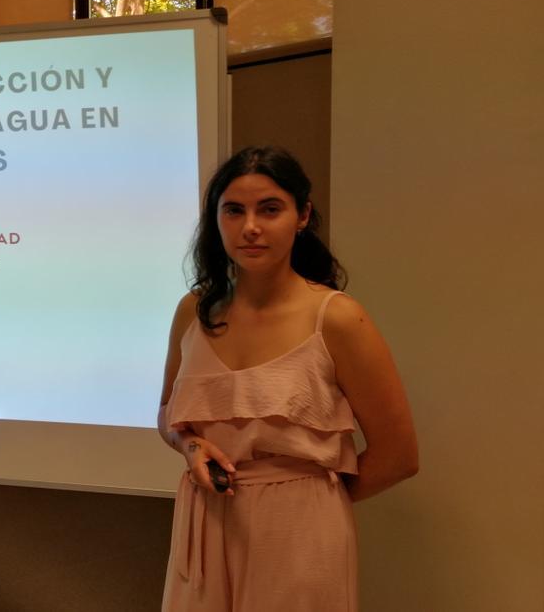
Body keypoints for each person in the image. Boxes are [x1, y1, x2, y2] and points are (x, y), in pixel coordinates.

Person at [157, 146, 418, 611]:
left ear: (303, 216)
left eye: (270, 209)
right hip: (204, 519)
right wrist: (190, 446)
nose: (250, 226)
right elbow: (167, 415)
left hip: (299, 529)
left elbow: (399, 454)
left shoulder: (336, 318)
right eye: (234, 210)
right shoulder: (192, 311)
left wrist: (310, 500)